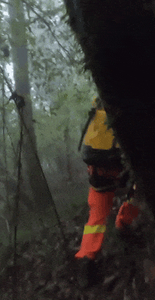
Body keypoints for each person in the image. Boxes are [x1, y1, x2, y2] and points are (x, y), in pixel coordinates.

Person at [76, 97, 140, 287]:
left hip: (96, 167)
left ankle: (87, 258)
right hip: (119, 165)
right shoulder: (133, 102)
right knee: (136, 192)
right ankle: (123, 224)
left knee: (97, 215)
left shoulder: (100, 102)